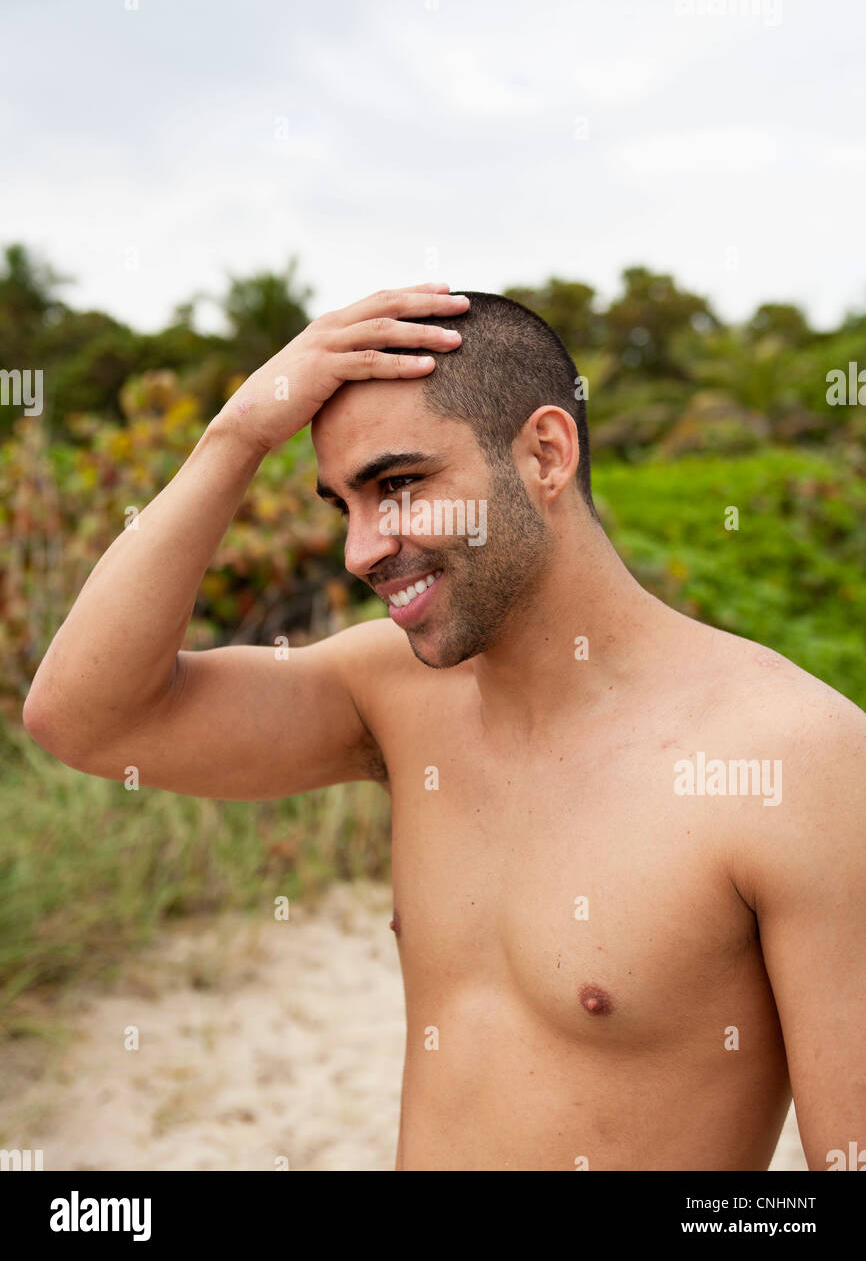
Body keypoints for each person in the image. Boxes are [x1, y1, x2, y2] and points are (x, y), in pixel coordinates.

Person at [24, 283, 866, 1171]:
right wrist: (236, 435)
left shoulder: (794, 760)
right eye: (342, 505)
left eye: (397, 485)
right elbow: (86, 720)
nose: (360, 551)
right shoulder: (392, 695)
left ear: (546, 452)